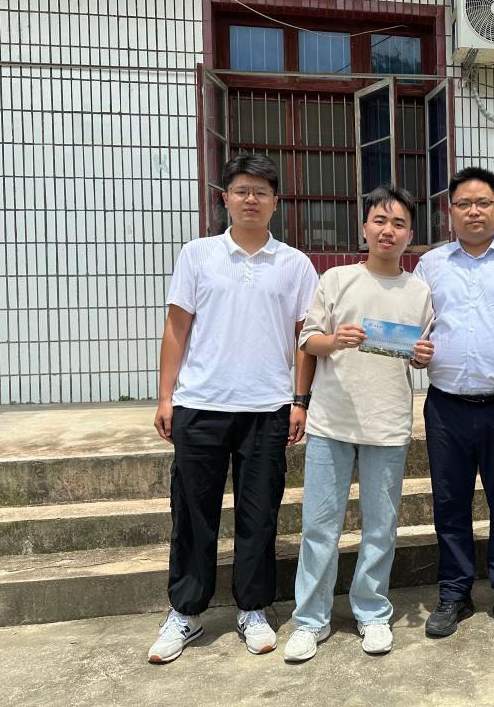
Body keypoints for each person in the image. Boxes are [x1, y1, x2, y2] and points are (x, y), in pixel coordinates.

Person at [148, 153, 318, 664]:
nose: (251, 199)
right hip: (200, 404)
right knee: (192, 513)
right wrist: (166, 396)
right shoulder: (198, 255)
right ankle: (185, 612)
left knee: (259, 514)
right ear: (225, 198)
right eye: (241, 190)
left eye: (261, 192)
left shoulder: (295, 264)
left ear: (275, 202)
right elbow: (177, 328)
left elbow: (305, 339)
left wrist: (299, 401)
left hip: (268, 407)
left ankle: (253, 608)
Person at [283, 185, 435, 662]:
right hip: (331, 421)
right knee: (319, 526)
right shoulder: (336, 279)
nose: (388, 230)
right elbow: (308, 341)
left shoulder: (419, 291)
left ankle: (372, 612)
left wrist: (421, 357)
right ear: (364, 227)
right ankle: (310, 620)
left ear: (410, 234)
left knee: (381, 527)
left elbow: (416, 355)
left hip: (387, 423)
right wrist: (334, 340)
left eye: (399, 223)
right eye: (380, 221)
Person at [413, 167, 494, 640]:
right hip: (445, 406)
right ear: (450, 211)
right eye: (464, 204)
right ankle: (454, 592)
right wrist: (412, 350)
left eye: (483, 202)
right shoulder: (430, 265)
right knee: (449, 503)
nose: (474, 211)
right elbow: (416, 326)